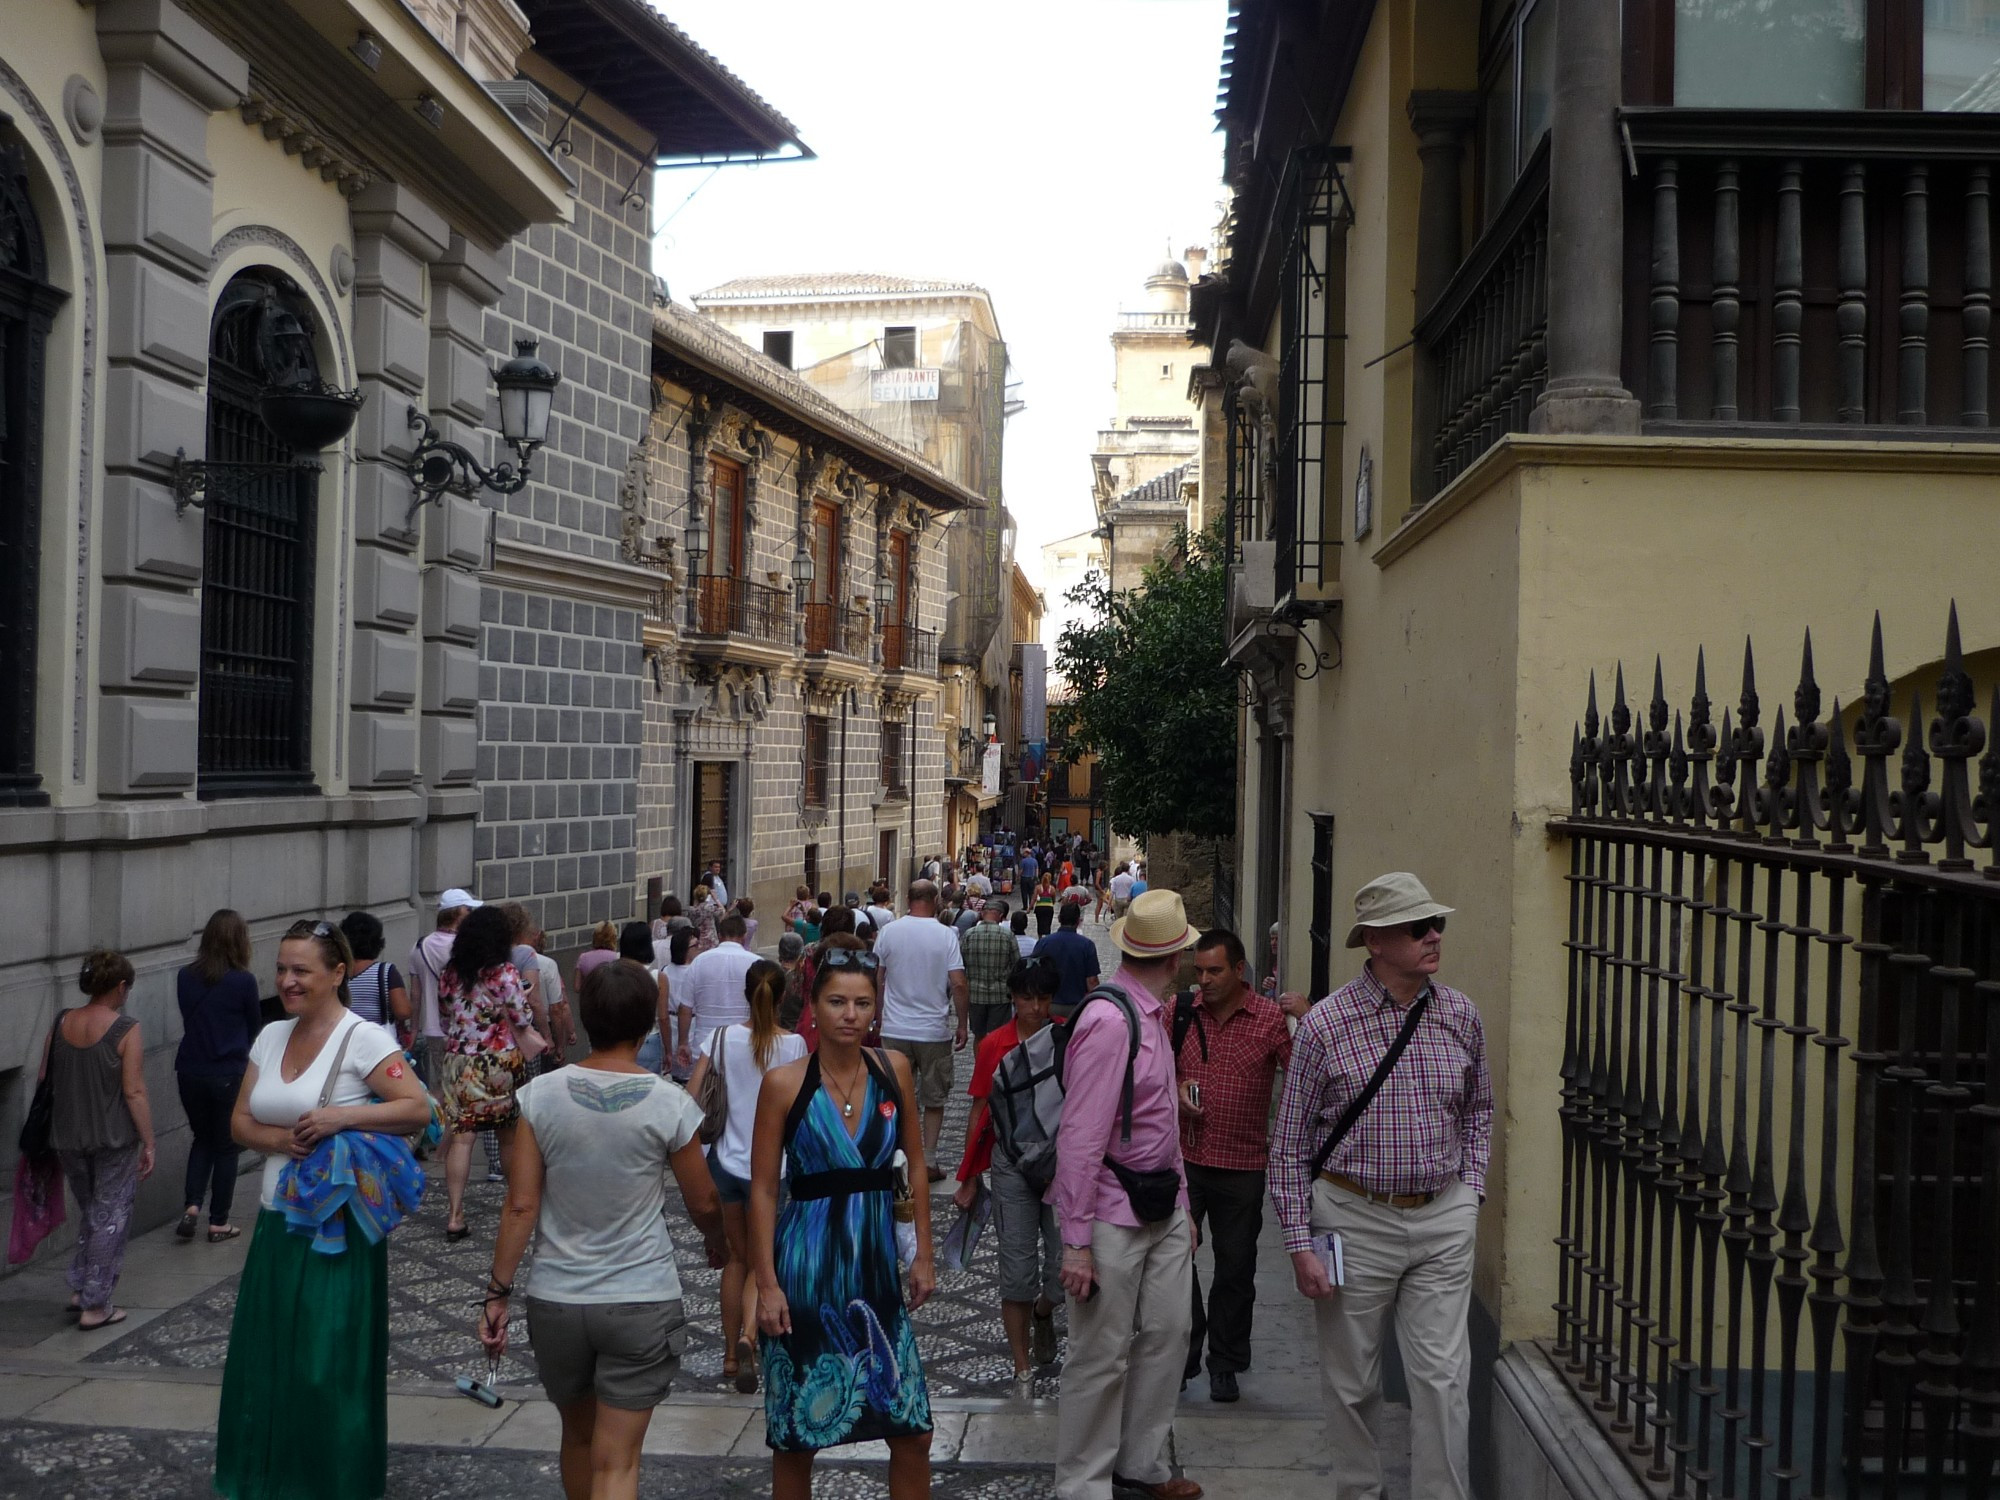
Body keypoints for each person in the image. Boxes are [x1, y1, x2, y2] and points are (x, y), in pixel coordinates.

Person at [1269, 873, 1491, 1500]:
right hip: (1352, 1219)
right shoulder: (1325, 1028)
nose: (1434, 936)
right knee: (1353, 1384)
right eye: (1419, 927)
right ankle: (1360, 1493)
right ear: (1375, 939)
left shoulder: (1460, 1015)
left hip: (1443, 1219)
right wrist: (1298, 1243)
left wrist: (1469, 1194)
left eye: (1436, 924)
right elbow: (1287, 1148)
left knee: (1445, 1380)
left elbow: (1478, 1111)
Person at [478, 960, 726, 1500]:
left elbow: (521, 1206)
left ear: (587, 1018)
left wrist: (497, 1292)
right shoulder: (670, 1103)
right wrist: (717, 1238)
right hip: (640, 1298)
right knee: (617, 1462)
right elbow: (703, 1200)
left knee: (578, 1438)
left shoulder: (539, 1097)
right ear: (647, 1027)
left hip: (556, 1299)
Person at [214, 920, 431, 1500]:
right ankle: (267, 1480)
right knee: (267, 1360)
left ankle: (333, 1484)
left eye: (300, 970)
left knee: (325, 1366)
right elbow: (239, 1122)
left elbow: (417, 1107)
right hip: (274, 1221)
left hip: (335, 1228)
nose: (287, 980)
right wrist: (284, 1142)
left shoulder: (363, 1039)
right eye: (282, 968)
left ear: (337, 973)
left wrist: (342, 1117)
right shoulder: (270, 1036)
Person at [749, 936, 935, 1498]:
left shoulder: (893, 1069)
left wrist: (923, 1253)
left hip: (876, 1270)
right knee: (797, 1435)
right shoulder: (784, 1084)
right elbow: (761, 1190)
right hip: (806, 1272)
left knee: (911, 1430)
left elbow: (917, 1165)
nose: (850, 1015)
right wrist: (766, 1284)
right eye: (836, 1002)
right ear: (813, 1004)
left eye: (861, 1003)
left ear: (877, 1006)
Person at [1051, 889, 1202, 1500]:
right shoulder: (1110, 1021)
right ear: (1174, 959)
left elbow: (1164, 1122)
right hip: (1111, 1210)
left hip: (1162, 1204)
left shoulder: (1156, 1016)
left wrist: (1185, 1204)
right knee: (1101, 1352)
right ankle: (1083, 1483)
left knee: (1170, 1333)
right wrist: (1075, 1243)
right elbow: (1080, 1138)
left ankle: (1141, 1463)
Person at [1174, 929, 1292, 1403]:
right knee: (1174, 1263)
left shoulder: (1269, 1020)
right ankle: (1182, 1354)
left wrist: (1309, 1017)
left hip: (1243, 1164)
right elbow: (1152, 1067)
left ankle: (1225, 1361)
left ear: (1239, 971)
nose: (1204, 980)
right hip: (1183, 1161)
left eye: (1214, 971)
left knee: (1236, 1269)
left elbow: (1308, 1071)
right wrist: (1176, 1085)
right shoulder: (1180, 1013)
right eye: (1199, 971)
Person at [687, 959, 807, 1394]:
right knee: (763, 1259)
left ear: (745, 992)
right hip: (772, 1170)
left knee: (736, 1259)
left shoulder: (718, 1039)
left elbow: (690, 1097)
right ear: (783, 997)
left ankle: (730, 1355)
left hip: (725, 1164)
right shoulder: (794, 1046)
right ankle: (749, 1338)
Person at [952, 958, 1062, 1396]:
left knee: (1061, 1267)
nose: (1035, 1007)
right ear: (1013, 998)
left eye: (1042, 998)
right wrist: (969, 1174)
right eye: (1027, 998)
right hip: (1010, 1163)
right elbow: (980, 1110)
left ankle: (1044, 1310)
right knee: (1016, 1270)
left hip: (1060, 1164)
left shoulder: (1065, 1039)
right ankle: (1021, 1366)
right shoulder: (994, 1045)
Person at [46, 951, 155, 1327]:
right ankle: (96, 1304)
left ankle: (80, 1286)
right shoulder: (126, 1028)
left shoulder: (61, 1022)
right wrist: (150, 1141)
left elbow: (48, 1077)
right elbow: (134, 1092)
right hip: (112, 1138)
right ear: (121, 986)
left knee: (92, 1210)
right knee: (110, 1217)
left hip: (67, 1136)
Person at [437, 905, 535, 1242]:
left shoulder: (450, 972)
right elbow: (521, 1018)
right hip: (498, 1061)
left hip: (458, 1060)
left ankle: (454, 1215)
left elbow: (444, 1016)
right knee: (509, 1134)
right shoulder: (504, 972)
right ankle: (516, 1203)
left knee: (461, 1137)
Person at [175, 909, 261, 1244]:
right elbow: (254, 1026)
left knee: (202, 1138)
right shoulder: (243, 981)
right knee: (227, 1147)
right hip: (227, 1071)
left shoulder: (185, 975)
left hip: (190, 1069)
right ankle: (219, 1222)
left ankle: (192, 1206)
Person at [873, 880, 969, 1180]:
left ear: (909, 898)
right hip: (932, 1031)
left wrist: (879, 1015)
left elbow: (878, 977)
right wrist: (963, 1023)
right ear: (936, 900)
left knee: (892, 1095)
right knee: (934, 1098)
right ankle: (927, 1160)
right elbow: (958, 982)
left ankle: (892, 1154)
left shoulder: (889, 932)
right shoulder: (946, 935)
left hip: (895, 1028)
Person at [406, 890, 477, 1090]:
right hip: (465, 1026)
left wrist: (413, 1029)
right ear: (455, 913)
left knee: (440, 1084)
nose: (472, 914)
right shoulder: (467, 947)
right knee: (465, 1085)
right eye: (468, 909)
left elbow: (416, 993)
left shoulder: (419, 946)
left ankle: (442, 1120)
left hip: (433, 1028)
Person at [678, 914, 758, 1071]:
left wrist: (683, 1042)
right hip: (745, 1044)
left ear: (720, 936)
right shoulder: (756, 963)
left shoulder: (699, 962)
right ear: (744, 936)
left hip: (705, 1045)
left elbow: (685, 1008)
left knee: (704, 1093)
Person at [339, 912, 409, 1046]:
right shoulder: (386, 972)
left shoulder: (338, 974)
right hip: (377, 1043)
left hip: (346, 1041)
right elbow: (403, 1011)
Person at [960, 898, 1019, 1042]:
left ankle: (980, 1062)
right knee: (998, 1035)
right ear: (999, 916)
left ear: (982, 914)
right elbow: (1017, 965)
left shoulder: (969, 935)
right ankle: (994, 1064)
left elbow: (961, 964)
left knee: (978, 1035)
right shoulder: (1007, 935)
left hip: (975, 995)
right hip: (1000, 995)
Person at [1033, 900, 1102, 1018]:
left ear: (1059, 918)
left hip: (1049, 1005)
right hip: (1077, 1006)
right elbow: (1092, 981)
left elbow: (1033, 974)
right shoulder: (1086, 945)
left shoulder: (1043, 943)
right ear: (1078, 921)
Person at [575, 921, 620, 994]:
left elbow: (577, 987)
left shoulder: (583, 957)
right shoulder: (618, 958)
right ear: (613, 939)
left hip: (590, 1000)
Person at [688, 884, 724, 955]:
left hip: (699, 941)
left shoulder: (692, 910)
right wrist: (716, 899)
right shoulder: (709, 908)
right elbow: (722, 911)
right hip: (711, 941)